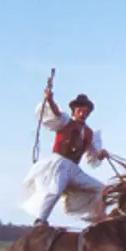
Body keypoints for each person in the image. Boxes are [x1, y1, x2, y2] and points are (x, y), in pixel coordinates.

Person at [21, 88, 110, 226]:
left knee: (102, 189)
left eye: (86, 112)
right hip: (60, 164)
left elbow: (93, 154)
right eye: (80, 111)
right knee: (55, 191)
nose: (83, 114)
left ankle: (98, 219)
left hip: (74, 169)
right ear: (74, 112)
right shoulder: (65, 121)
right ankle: (40, 220)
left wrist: (101, 154)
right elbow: (56, 112)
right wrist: (50, 99)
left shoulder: (89, 133)